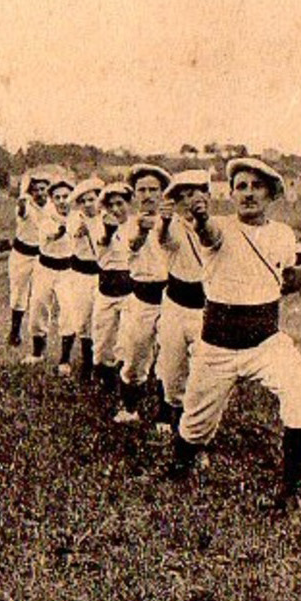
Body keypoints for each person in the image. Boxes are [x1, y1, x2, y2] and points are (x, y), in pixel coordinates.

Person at [168, 158, 301, 510]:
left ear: (270, 193)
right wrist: (202, 216)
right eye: (241, 186)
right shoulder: (219, 226)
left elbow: (286, 283)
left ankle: (289, 490)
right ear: (232, 193)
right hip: (218, 346)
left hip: (265, 342)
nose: (248, 193)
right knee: (194, 425)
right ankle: (179, 468)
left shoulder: (282, 234)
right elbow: (209, 234)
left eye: (256, 186)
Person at [154, 170, 210, 434]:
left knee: (202, 368)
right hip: (176, 304)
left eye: (194, 194)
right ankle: (168, 410)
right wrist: (164, 223)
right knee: (171, 363)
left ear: (206, 196)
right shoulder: (172, 225)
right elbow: (165, 241)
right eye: (183, 197)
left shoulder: (217, 226)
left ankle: (195, 420)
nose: (189, 201)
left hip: (205, 308)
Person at [113, 164, 171, 425]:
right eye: (142, 190)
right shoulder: (127, 225)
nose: (147, 195)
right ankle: (129, 407)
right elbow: (133, 244)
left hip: (171, 299)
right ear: (134, 195)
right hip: (142, 299)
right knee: (135, 357)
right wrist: (144, 230)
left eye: (153, 190)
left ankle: (165, 416)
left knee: (171, 360)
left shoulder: (175, 223)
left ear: (162, 193)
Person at [23, 176, 74, 366]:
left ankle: (65, 360)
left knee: (69, 312)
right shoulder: (46, 218)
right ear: (52, 199)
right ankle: (37, 353)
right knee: (38, 310)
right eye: (58, 197)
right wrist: (66, 225)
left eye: (66, 197)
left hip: (67, 270)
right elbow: (54, 234)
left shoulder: (78, 218)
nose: (62, 201)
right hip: (45, 268)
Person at [91, 182, 133, 392]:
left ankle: (126, 380)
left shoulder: (137, 226)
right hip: (106, 289)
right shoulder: (101, 225)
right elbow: (102, 242)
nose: (116, 209)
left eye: (120, 203)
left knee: (127, 340)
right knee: (102, 338)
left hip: (130, 291)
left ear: (129, 203)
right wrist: (108, 230)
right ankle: (104, 379)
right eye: (111, 205)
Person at [62, 178, 105, 380]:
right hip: (80, 274)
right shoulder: (75, 218)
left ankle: (102, 364)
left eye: (92, 199)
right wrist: (79, 230)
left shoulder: (106, 219)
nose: (88, 204)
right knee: (83, 319)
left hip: (101, 274)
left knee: (101, 319)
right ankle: (87, 364)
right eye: (84, 201)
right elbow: (73, 233)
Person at [8, 168, 54, 347]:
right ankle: (15, 331)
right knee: (19, 293)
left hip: (42, 255)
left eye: (43, 189)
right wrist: (22, 200)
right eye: (36, 190)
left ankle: (39, 338)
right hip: (22, 255)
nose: (40, 193)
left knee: (40, 297)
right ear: (31, 192)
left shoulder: (52, 206)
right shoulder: (25, 205)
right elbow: (21, 211)